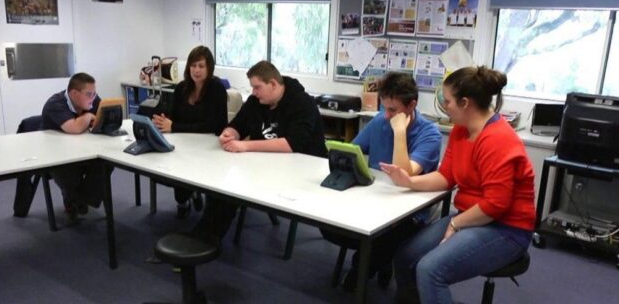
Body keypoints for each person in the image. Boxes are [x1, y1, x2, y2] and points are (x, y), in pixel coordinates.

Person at [380, 66, 536, 304]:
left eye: (447, 101)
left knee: (430, 270)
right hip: (472, 217)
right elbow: (446, 177)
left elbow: (496, 205)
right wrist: (410, 181)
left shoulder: (499, 139)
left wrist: (455, 223)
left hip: (506, 228)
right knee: (405, 256)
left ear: (465, 103)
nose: (444, 106)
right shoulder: (461, 131)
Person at [321, 72, 442, 291]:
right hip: (375, 198)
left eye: (393, 110)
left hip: (409, 210)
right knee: (330, 226)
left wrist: (399, 131)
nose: (386, 115)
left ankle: (365, 265)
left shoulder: (430, 134)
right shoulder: (379, 120)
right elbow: (351, 152)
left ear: (412, 105)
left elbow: (404, 176)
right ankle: (380, 260)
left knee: (383, 239)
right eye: (384, 107)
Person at [192, 60, 326, 240]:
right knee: (221, 188)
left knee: (228, 193)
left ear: (273, 84)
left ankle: (204, 239)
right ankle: (204, 238)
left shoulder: (302, 103)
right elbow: (238, 124)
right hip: (263, 166)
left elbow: (292, 144)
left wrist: (245, 145)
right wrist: (229, 133)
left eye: (257, 87)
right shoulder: (257, 101)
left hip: (301, 173)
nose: (253, 92)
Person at [151, 46, 227, 219]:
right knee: (176, 171)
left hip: (209, 147)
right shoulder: (181, 88)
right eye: (193, 65)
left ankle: (198, 197)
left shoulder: (217, 89)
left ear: (209, 68)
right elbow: (174, 116)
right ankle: (185, 199)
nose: (196, 70)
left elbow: (215, 124)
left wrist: (175, 127)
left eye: (201, 66)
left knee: (201, 175)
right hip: (184, 143)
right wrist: (164, 121)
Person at [41, 72, 107, 224]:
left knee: (105, 164)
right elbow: (74, 128)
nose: (93, 98)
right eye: (89, 94)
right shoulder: (55, 104)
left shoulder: (93, 100)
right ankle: (77, 200)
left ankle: (79, 200)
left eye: (94, 93)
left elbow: (103, 117)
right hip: (55, 155)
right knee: (70, 173)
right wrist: (88, 117)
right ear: (74, 93)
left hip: (84, 150)